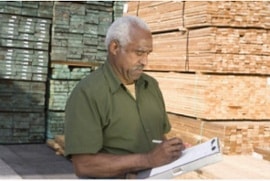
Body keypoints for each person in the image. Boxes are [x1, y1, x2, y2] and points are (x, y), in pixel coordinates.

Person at [64, 15, 185, 179]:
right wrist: (148, 159)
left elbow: (159, 137)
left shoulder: (151, 86)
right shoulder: (88, 93)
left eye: (148, 53)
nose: (145, 61)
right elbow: (84, 165)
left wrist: (172, 150)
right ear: (114, 48)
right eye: (139, 53)